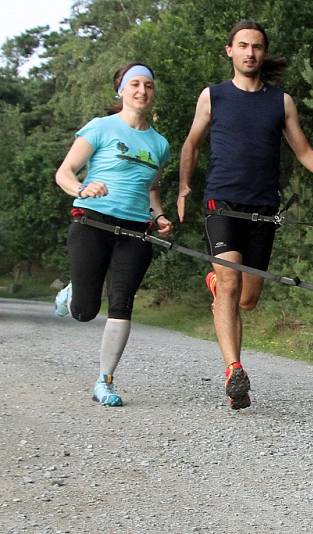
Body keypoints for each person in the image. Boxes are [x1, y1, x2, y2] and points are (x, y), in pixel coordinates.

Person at [178, 20, 313, 410]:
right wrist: (184, 186)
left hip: (264, 208)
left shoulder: (281, 101)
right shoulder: (213, 96)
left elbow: (304, 151)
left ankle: (215, 280)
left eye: (256, 47)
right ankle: (233, 370)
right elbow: (191, 143)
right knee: (230, 284)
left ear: (263, 52)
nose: (250, 53)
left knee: (246, 299)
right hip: (222, 202)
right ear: (229, 51)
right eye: (242, 46)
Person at [54, 63, 172, 407]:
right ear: (121, 90)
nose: (141, 91)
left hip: (135, 231)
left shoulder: (159, 143)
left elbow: (150, 189)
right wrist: (82, 187)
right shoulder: (101, 127)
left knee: (122, 303)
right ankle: (76, 288)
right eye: (134, 84)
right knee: (85, 312)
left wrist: (160, 215)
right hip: (92, 222)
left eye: (148, 85)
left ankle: (104, 381)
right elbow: (64, 172)